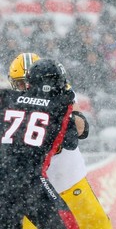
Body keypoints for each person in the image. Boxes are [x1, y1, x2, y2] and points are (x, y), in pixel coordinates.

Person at [8, 53, 112, 229]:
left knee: (98, 225)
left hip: (67, 179)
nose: (24, 89)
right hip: (32, 186)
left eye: (25, 83)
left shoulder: (62, 94)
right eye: (19, 84)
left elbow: (80, 130)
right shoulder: (13, 104)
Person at [0, 58, 79, 228]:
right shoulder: (60, 104)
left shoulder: (7, 98)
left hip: (3, 178)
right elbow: (71, 142)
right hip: (30, 180)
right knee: (67, 224)